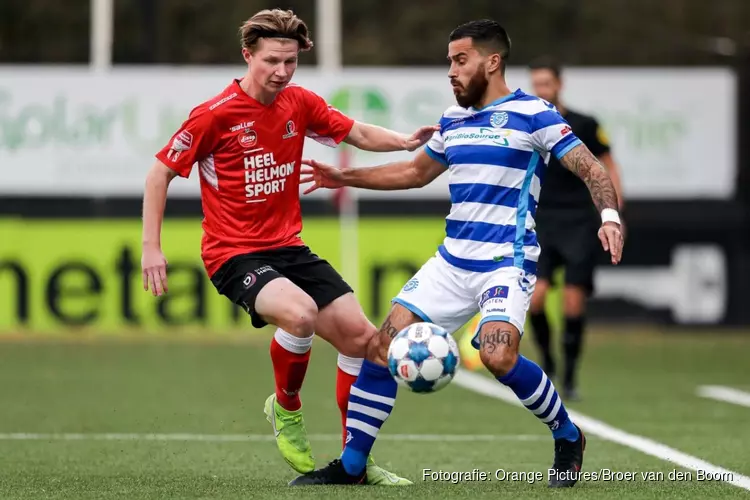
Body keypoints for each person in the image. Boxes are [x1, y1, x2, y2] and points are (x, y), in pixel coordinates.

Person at [289, 19, 624, 488]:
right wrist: (344, 177)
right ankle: (351, 466)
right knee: (380, 347)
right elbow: (413, 171)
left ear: (493, 61)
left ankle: (568, 435)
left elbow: (590, 167)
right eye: (449, 61)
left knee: (498, 357)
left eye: (460, 60)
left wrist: (609, 217)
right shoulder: (454, 118)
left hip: (506, 262)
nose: (451, 70)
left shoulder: (535, 113)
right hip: (451, 262)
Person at [140, 8, 437, 486]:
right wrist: (151, 247)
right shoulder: (214, 115)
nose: (282, 72)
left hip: (289, 249)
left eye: (291, 62)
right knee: (299, 314)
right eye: (272, 61)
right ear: (247, 55)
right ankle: (286, 408)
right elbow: (159, 174)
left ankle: (353, 464)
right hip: (233, 254)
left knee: (366, 343)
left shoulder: (299, 102)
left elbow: (356, 132)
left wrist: (404, 141)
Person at [528, 57, 625, 401]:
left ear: (559, 84)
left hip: (580, 221)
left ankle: (569, 376)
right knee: (535, 299)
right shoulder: (530, 124)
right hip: (541, 221)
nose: (542, 89)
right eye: (536, 84)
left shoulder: (584, 124)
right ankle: (549, 363)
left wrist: (612, 213)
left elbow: (608, 167)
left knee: (572, 301)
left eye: (546, 83)